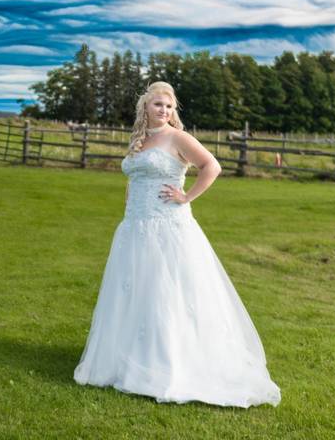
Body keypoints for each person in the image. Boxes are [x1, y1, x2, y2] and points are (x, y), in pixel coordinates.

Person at [73, 81, 281, 407]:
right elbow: (135, 177)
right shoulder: (141, 139)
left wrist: (186, 197)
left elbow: (212, 166)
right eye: (158, 105)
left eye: (169, 107)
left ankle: (168, 361)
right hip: (135, 227)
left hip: (167, 227)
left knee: (165, 291)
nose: (164, 111)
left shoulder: (177, 137)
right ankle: (129, 355)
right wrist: (130, 206)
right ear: (145, 106)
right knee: (136, 290)